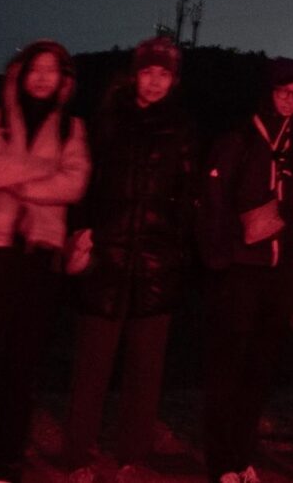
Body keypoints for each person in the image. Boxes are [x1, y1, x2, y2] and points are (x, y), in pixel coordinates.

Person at [0, 39, 90, 483]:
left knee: (21, 367)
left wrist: (19, 181)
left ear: (63, 78)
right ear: (21, 74)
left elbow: (75, 184)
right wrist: (44, 174)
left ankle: (5, 463)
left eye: (52, 70)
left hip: (39, 254)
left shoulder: (72, 129)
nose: (43, 77)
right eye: (35, 69)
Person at [64, 36, 199, 481]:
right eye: (148, 71)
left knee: (145, 371)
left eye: (164, 73)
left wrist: (175, 248)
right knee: (92, 368)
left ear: (173, 80)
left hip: (156, 263)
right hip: (106, 257)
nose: (155, 80)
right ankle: (78, 455)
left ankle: (131, 457)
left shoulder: (181, 126)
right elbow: (86, 181)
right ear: (135, 74)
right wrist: (84, 232)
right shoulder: (107, 120)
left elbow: (185, 194)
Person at [201, 55, 293, 483]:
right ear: (268, 93)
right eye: (282, 91)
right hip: (241, 271)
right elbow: (212, 204)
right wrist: (221, 257)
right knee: (229, 369)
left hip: (280, 273)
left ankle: (244, 457)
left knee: (259, 371)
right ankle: (222, 462)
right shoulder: (240, 140)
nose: (289, 100)